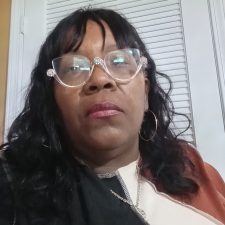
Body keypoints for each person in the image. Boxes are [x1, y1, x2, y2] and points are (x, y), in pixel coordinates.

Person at [0, 7, 224, 225]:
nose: (99, 79)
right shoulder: (12, 187)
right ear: (52, 102)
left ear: (145, 93)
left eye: (118, 61)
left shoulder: (192, 168)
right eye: (74, 67)